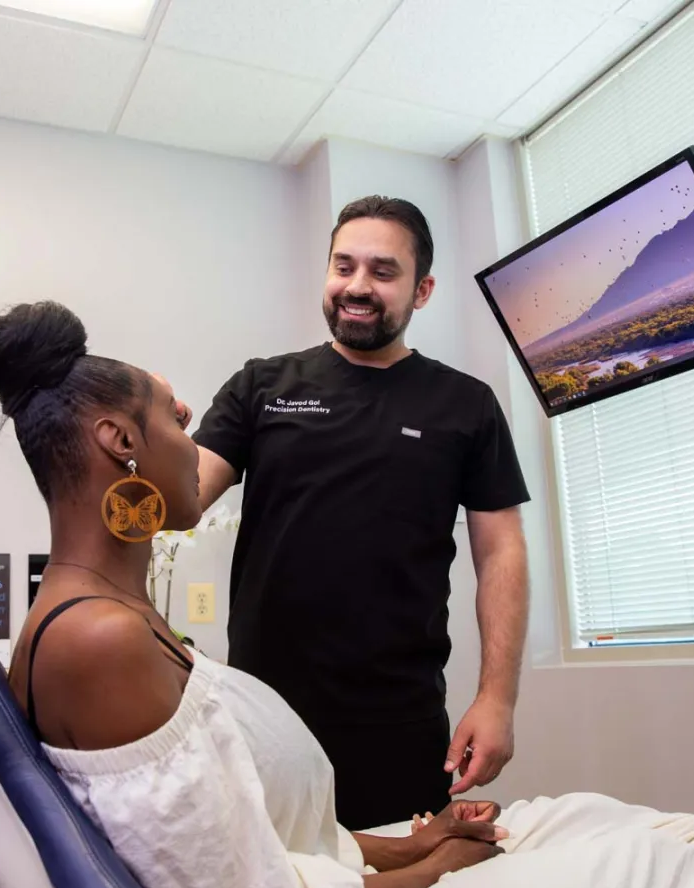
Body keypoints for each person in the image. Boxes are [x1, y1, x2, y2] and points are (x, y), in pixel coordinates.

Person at [0, 301, 694, 888]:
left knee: (599, 817)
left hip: (364, 820)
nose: (194, 446)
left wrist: (419, 840)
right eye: (173, 423)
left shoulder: (115, 621)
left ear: (419, 288)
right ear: (120, 442)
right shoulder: (99, 643)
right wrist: (432, 870)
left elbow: (260, 846)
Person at [190, 196, 531, 829]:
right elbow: (181, 502)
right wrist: (138, 431)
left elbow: (501, 550)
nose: (357, 286)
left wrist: (497, 698)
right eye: (343, 266)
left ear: (422, 289)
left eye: (382, 271)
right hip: (266, 712)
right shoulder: (262, 386)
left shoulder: (466, 404)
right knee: (279, 880)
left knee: (406, 878)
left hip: (397, 718)